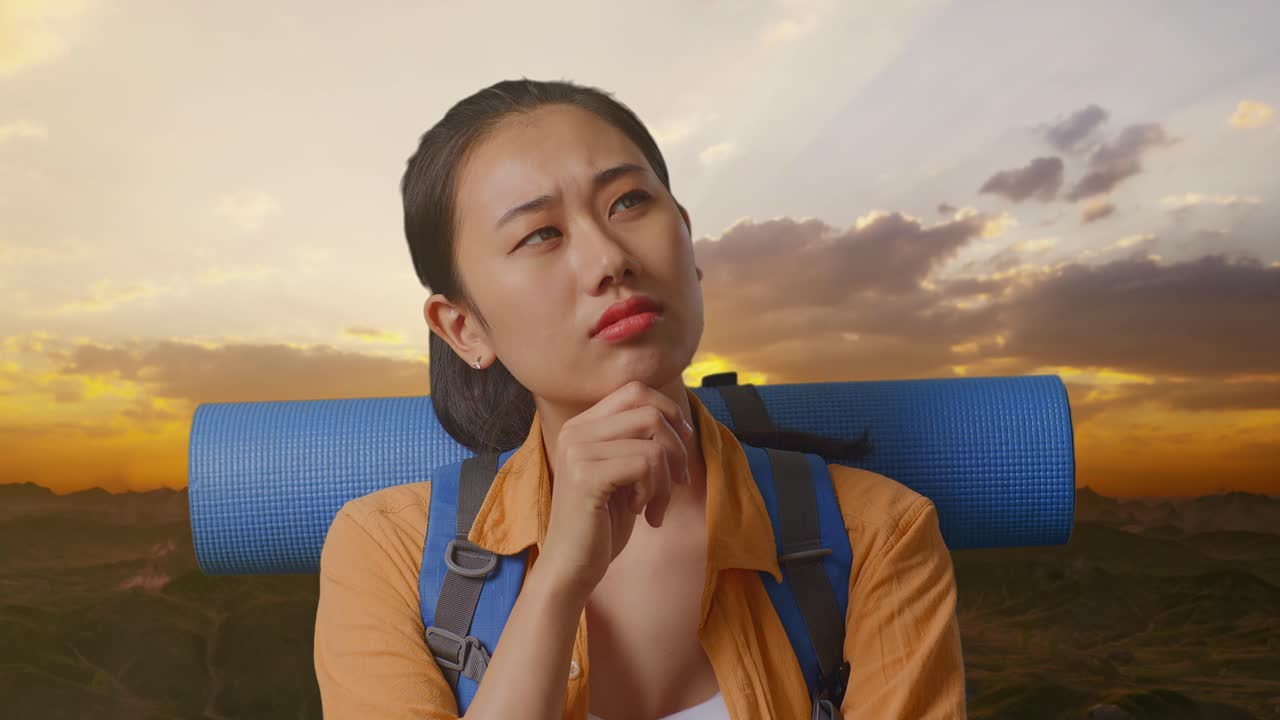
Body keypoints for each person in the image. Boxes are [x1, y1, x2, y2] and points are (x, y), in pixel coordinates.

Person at [313, 77, 966, 719]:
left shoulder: (878, 533)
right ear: (466, 328)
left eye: (627, 202)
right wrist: (560, 578)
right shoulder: (382, 552)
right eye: (540, 234)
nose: (609, 259)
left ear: (686, 240)